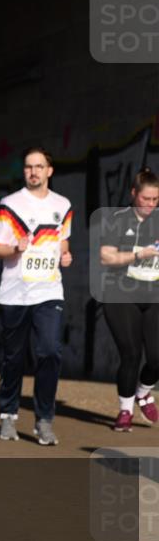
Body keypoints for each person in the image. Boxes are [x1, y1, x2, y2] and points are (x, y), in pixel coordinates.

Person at [0, 147, 73, 445]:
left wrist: (66, 255)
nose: (33, 171)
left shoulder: (63, 205)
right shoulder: (9, 205)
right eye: (28, 167)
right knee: (14, 358)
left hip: (49, 289)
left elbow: (62, 241)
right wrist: (15, 249)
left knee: (50, 351)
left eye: (39, 166)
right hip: (15, 292)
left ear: (49, 170)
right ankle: (8, 415)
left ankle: (44, 420)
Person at [99, 166, 159, 431]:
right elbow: (106, 256)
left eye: (156, 200)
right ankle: (125, 411)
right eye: (146, 199)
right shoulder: (117, 220)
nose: (150, 204)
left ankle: (143, 392)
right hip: (120, 294)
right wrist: (139, 255)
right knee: (131, 353)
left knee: (157, 357)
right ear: (133, 193)